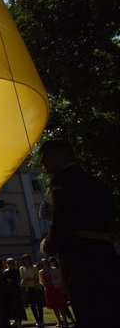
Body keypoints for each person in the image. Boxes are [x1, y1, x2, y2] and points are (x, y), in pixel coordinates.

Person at [39, 139, 120, 328]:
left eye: (46, 157)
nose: (43, 163)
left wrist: (48, 246)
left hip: (81, 260)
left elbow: (62, 223)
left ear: (64, 154)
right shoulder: (96, 183)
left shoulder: (62, 181)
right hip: (107, 256)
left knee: (89, 314)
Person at [38, 259, 69, 328]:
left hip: (56, 289)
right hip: (48, 290)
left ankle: (66, 322)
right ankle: (59, 321)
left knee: (60, 306)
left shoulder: (54, 269)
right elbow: (40, 280)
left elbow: (59, 278)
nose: (44, 263)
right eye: (43, 262)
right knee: (54, 307)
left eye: (45, 262)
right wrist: (44, 284)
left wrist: (52, 282)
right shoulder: (41, 272)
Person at [19, 254, 44, 328]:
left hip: (36, 288)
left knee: (39, 305)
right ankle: (37, 321)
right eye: (24, 259)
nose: (26, 261)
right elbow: (24, 278)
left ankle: (41, 321)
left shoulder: (35, 267)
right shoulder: (21, 268)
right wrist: (30, 278)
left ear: (29, 260)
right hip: (28, 288)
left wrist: (29, 279)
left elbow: (37, 278)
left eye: (27, 259)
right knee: (32, 306)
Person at [2, 258, 26, 328]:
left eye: (11, 263)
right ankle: (16, 321)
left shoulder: (17, 271)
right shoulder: (6, 272)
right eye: (8, 264)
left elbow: (17, 281)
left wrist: (11, 281)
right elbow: (5, 281)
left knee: (19, 306)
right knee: (12, 307)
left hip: (16, 291)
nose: (10, 265)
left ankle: (19, 322)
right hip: (9, 292)